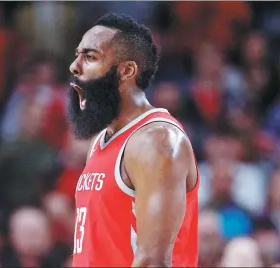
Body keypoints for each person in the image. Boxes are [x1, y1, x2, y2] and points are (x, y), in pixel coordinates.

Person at [67, 13, 199, 267]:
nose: (75, 65)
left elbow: (153, 261)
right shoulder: (100, 142)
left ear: (126, 70)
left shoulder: (158, 140)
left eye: (91, 57)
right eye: (77, 54)